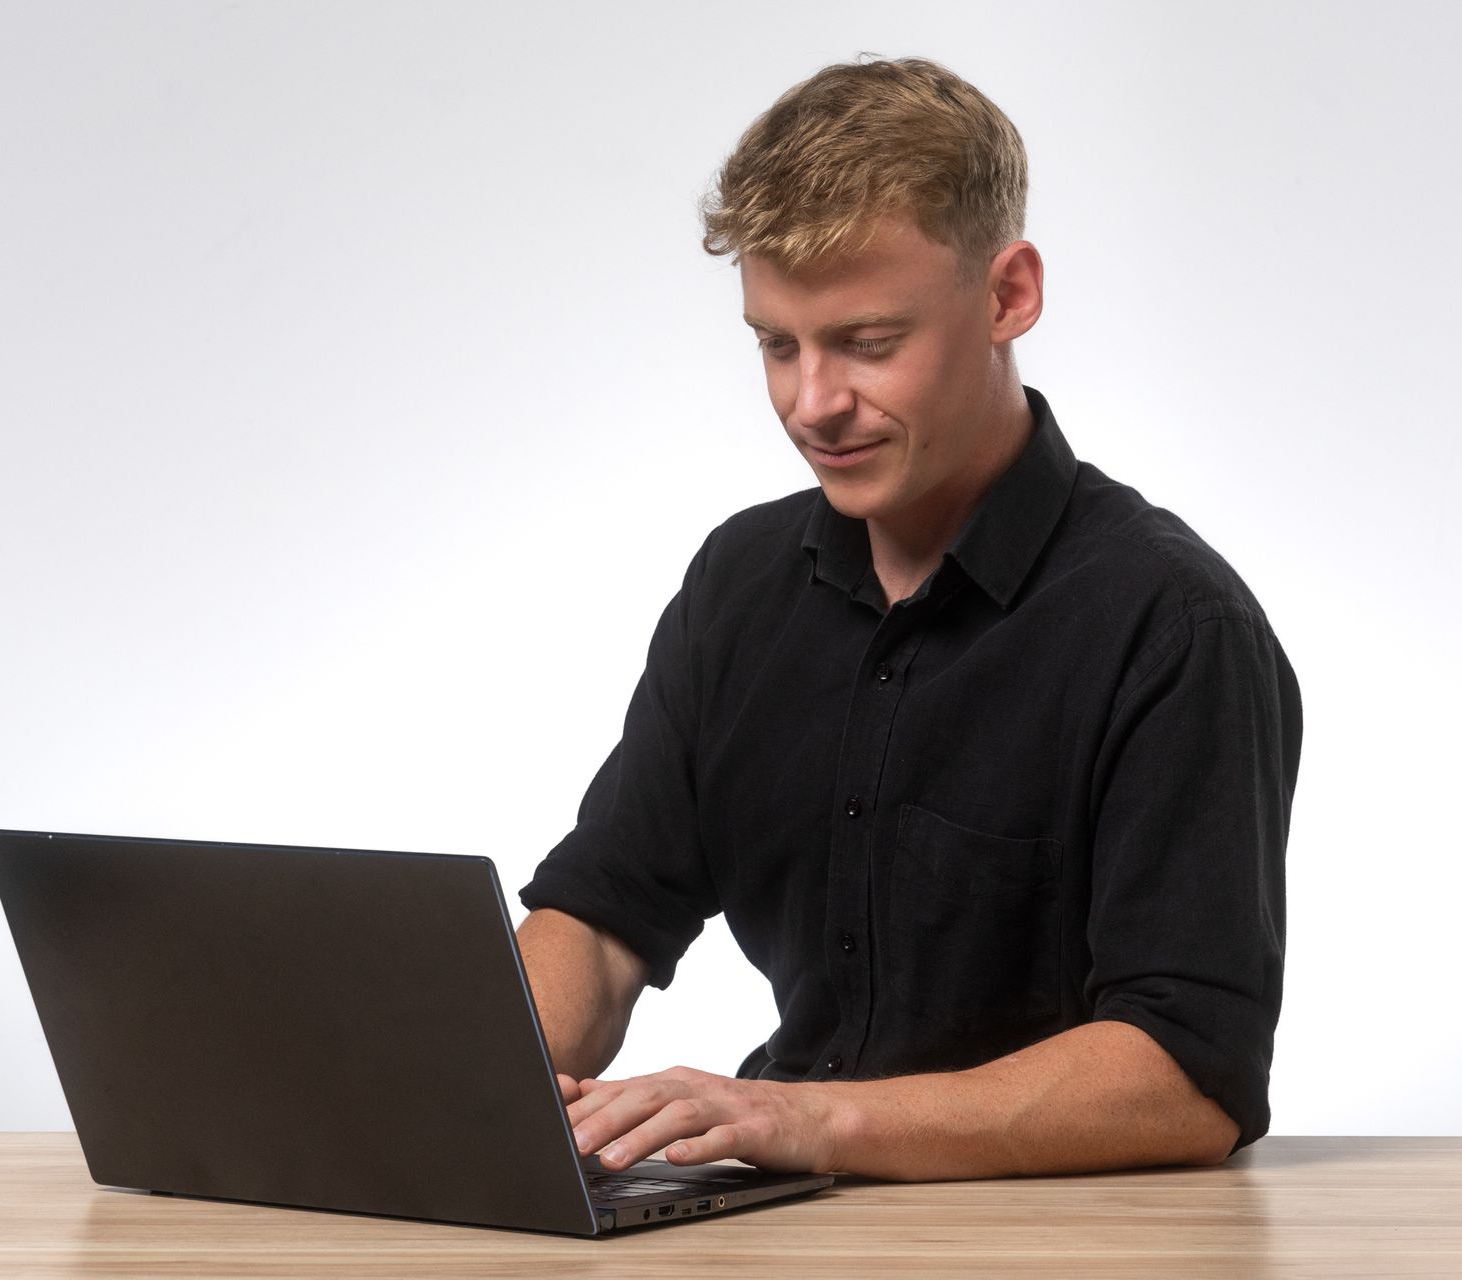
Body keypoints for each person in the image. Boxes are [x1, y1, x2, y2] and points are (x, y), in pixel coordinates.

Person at [515, 54, 1303, 1182]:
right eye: (776, 345)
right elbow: (600, 918)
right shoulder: (740, 582)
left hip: (1064, 1247)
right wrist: (490, 1090)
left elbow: (1189, 1074)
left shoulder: (1174, 626)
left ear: (1008, 294)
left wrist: (809, 1120)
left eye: (867, 343)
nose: (811, 403)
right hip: (782, 1222)